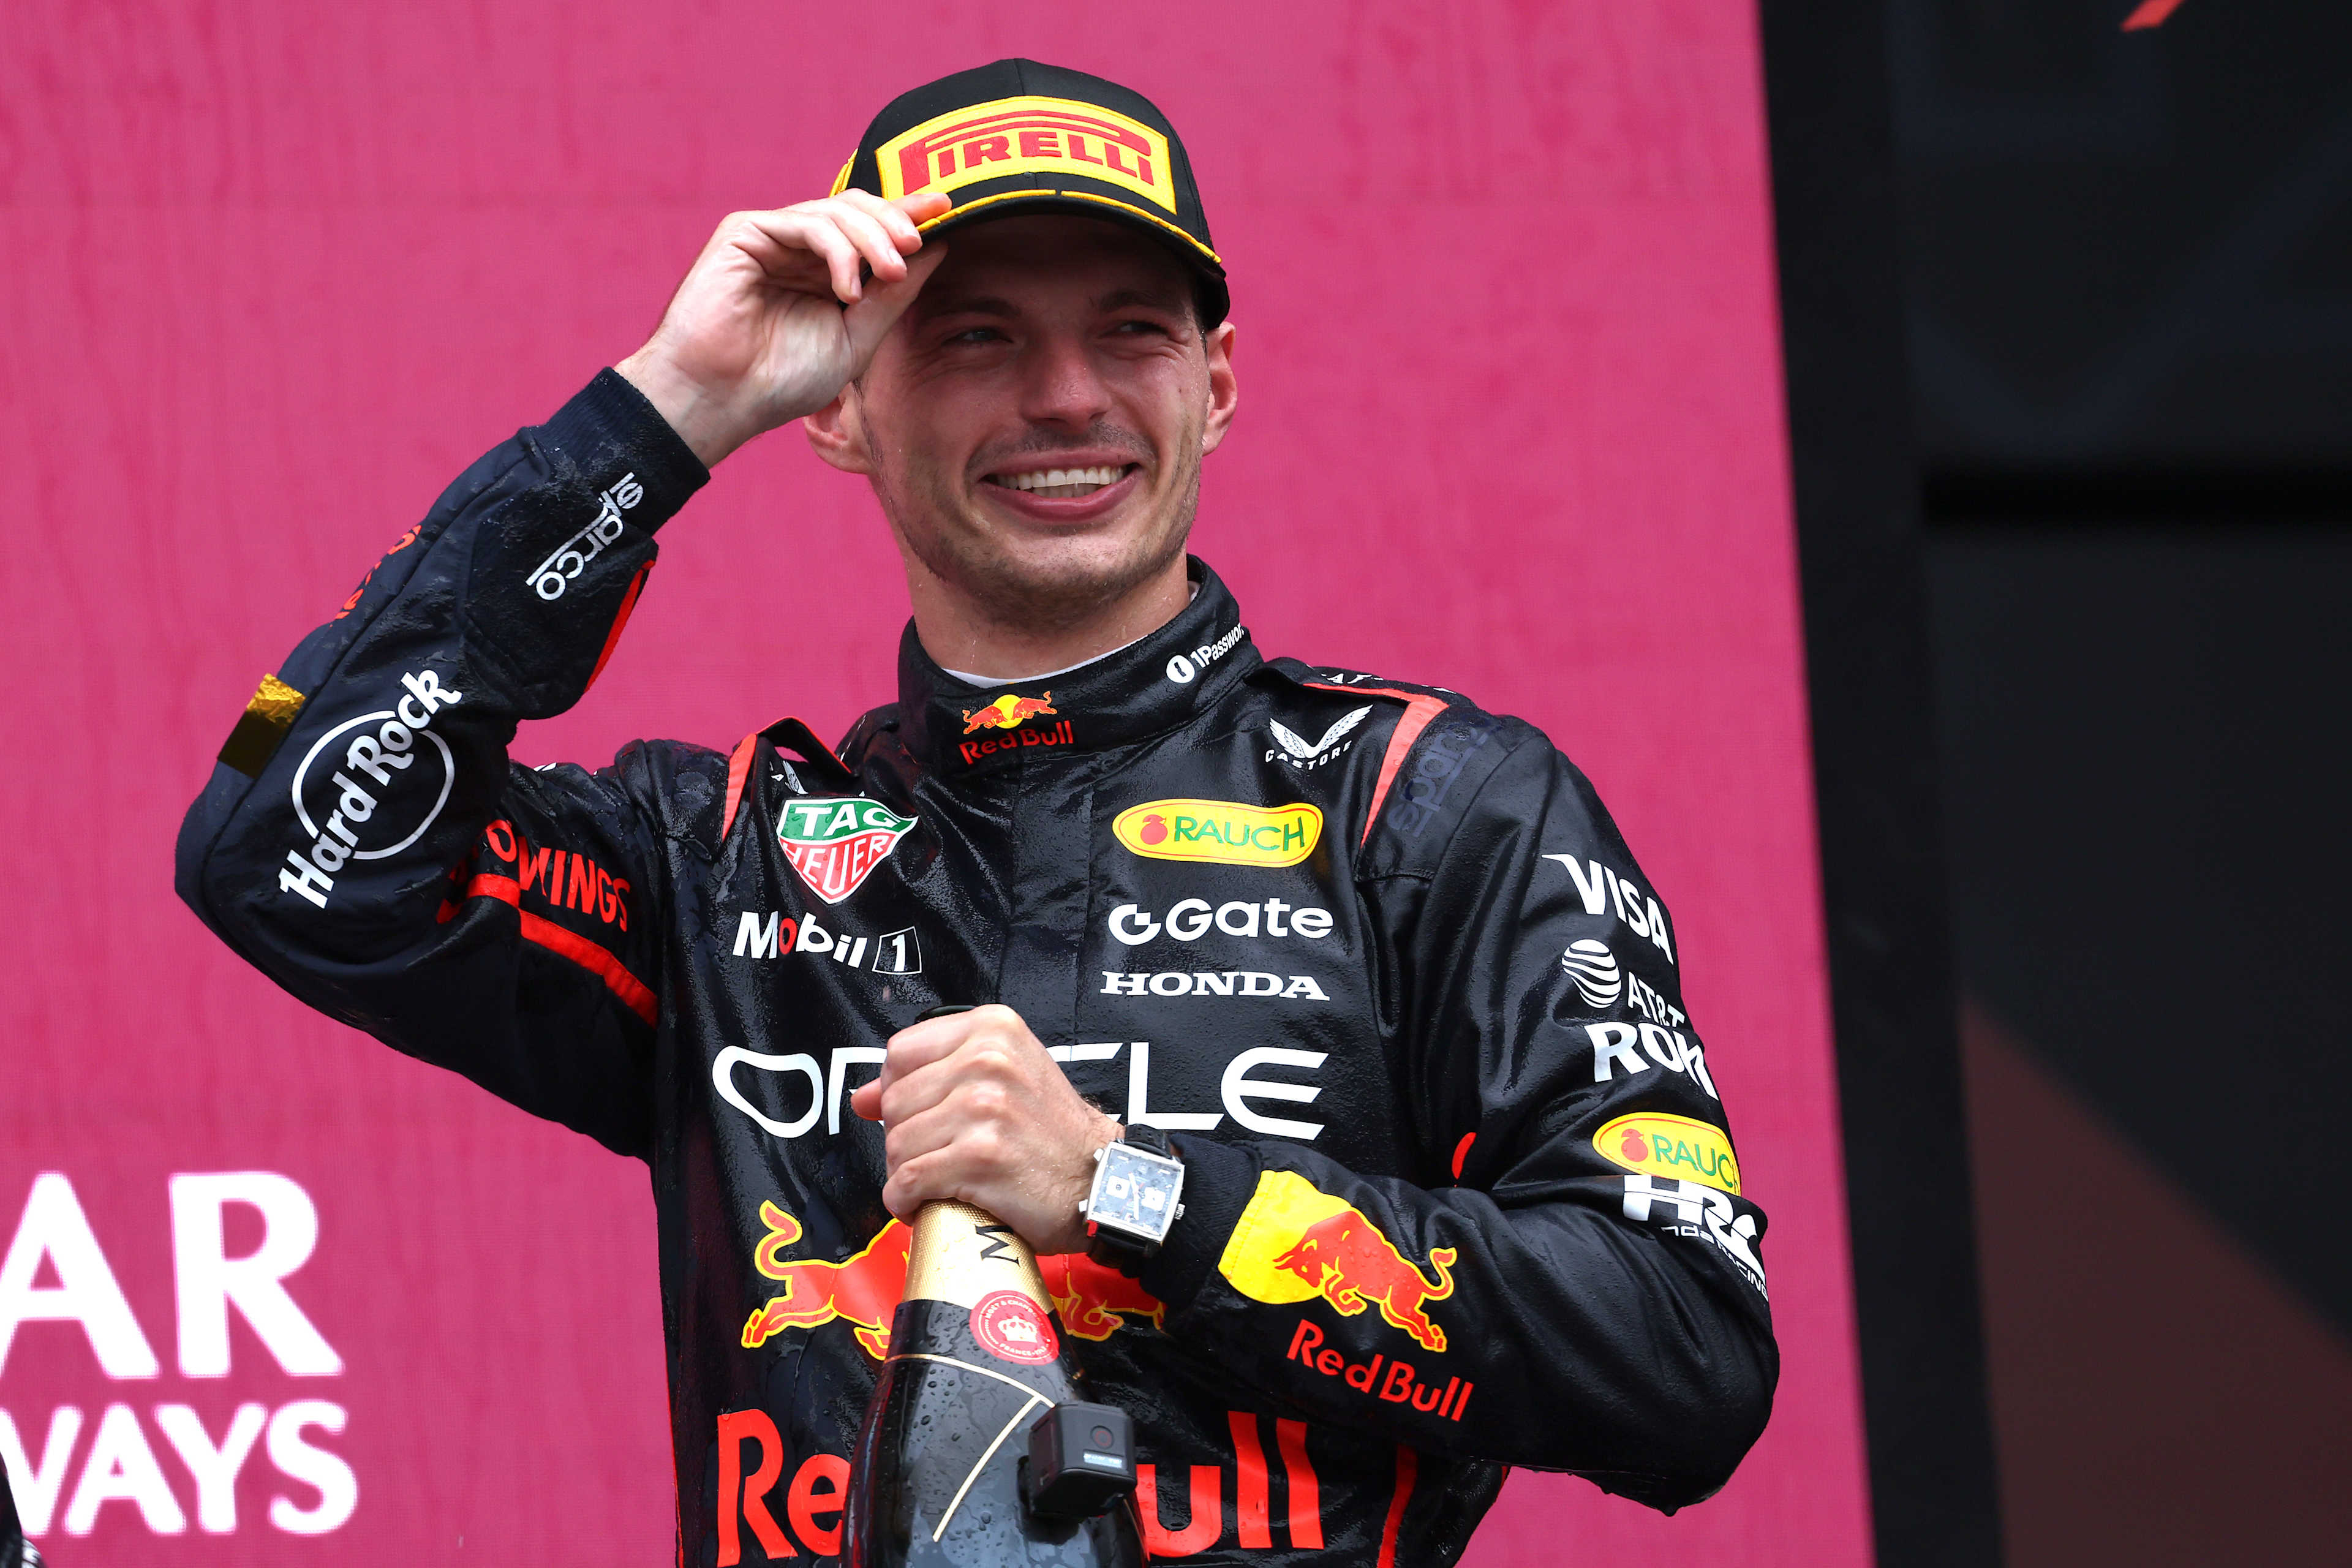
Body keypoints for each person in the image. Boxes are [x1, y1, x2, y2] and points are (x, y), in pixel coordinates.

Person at [178, 59, 1775, 1566]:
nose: (1067, 396)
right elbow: (278, 845)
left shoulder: (1429, 808)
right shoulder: (717, 861)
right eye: (975, 338)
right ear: (839, 406)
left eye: (1132, 332)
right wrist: (664, 413)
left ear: (1216, 384)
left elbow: (1685, 1348)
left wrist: (1130, 1189)